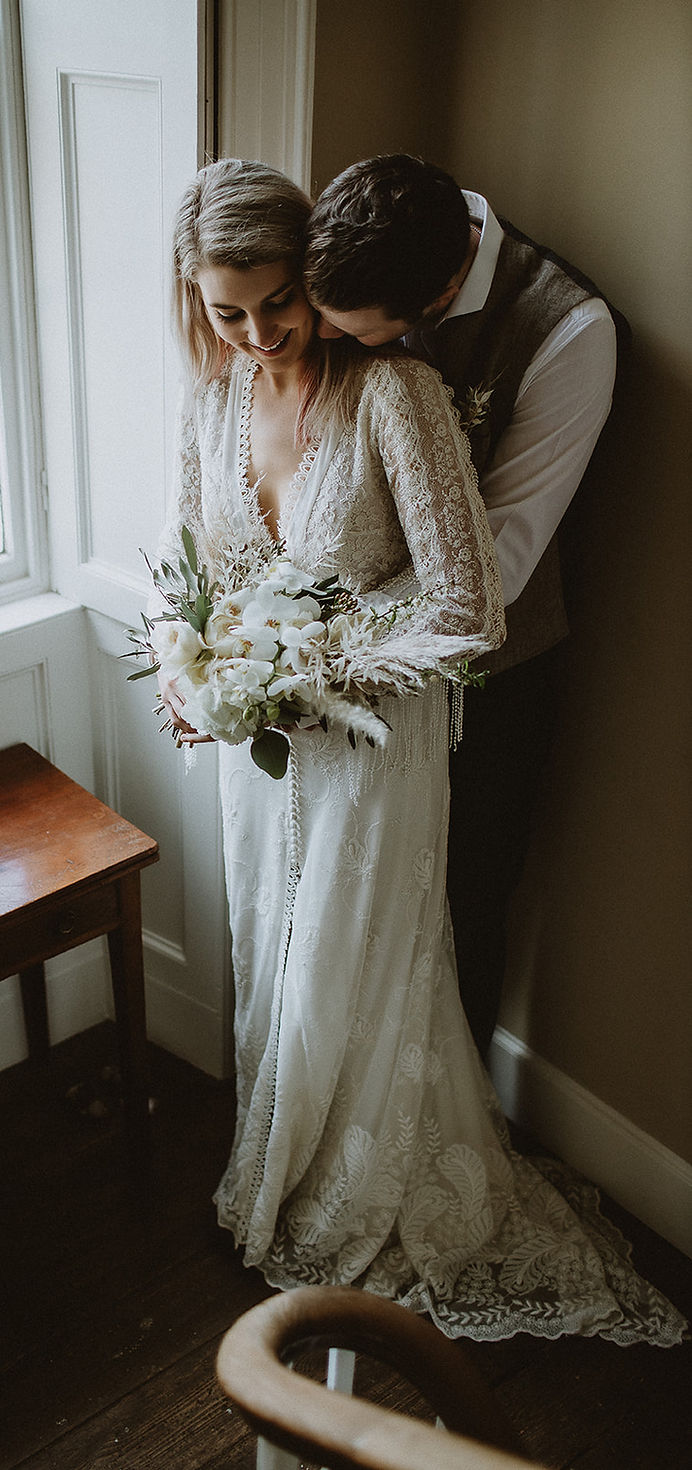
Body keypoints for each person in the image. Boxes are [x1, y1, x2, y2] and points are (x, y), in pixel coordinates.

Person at [150, 158, 685, 1347]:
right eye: (224, 312)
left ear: (317, 280)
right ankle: (275, 1158)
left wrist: (301, 670)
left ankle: (361, 1186)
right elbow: (196, 571)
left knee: (363, 957)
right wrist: (196, 671)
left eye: (275, 304)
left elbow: (472, 597)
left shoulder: (400, 390)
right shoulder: (210, 403)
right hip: (268, 746)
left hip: (377, 731)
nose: (255, 335)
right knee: (276, 948)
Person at [304, 154, 622, 1059]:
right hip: (339, 650)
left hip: (493, 680)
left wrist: (330, 644)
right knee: (348, 896)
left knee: (462, 900)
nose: (350, 354)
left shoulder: (568, 334)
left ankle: (458, 1122)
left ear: (442, 293)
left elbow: (504, 563)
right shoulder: (368, 229)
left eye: (368, 340)